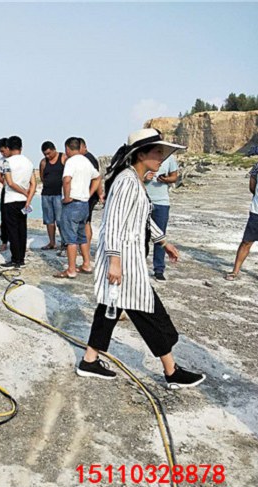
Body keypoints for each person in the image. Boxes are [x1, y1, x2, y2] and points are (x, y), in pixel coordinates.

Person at [77, 128, 205, 389]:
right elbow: (113, 223)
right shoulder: (126, 181)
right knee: (150, 313)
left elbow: (142, 219)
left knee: (109, 309)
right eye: (157, 152)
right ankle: (171, 372)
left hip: (128, 259)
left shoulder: (135, 180)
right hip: (123, 262)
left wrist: (163, 242)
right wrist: (114, 260)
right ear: (141, 154)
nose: (161, 157)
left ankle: (89, 361)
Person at [54, 137, 101, 278]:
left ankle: (71, 269)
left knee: (70, 238)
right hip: (84, 204)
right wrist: (90, 193)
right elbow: (98, 177)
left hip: (73, 203)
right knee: (82, 236)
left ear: (67, 148)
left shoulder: (71, 161)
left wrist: (67, 197)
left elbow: (66, 180)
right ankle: (86, 264)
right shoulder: (86, 161)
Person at [0, 136, 36, 268]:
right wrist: (28, 198)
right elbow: (33, 183)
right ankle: (21, 258)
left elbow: (9, 183)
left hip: (11, 200)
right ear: (21, 147)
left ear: (8, 148)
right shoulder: (29, 162)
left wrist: (23, 192)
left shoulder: (7, 162)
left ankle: (15, 259)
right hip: (23, 202)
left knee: (13, 230)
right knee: (22, 229)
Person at [144, 154, 179, 282]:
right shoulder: (143, 156)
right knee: (142, 236)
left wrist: (165, 179)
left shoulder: (170, 158)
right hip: (144, 201)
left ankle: (159, 270)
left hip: (162, 202)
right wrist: (144, 178)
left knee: (160, 236)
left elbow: (174, 177)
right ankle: (139, 266)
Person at [226, 161, 258, 280]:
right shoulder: (257, 166)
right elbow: (252, 186)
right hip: (257, 211)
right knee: (246, 242)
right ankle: (235, 271)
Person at [39, 141, 66, 251]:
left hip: (59, 194)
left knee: (60, 220)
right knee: (49, 220)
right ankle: (52, 242)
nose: (47, 156)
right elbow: (42, 177)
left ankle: (65, 242)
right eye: (45, 154)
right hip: (46, 194)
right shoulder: (43, 162)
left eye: (49, 153)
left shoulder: (63, 158)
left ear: (54, 150)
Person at [79, 138, 105, 248]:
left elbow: (97, 177)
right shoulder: (84, 159)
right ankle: (84, 246)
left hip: (89, 195)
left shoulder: (88, 159)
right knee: (85, 221)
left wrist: (99, 194)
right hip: (87, 194)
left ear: (84, 147)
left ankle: (86, 246)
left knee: (86, 222)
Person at [0, 138, 11, 252]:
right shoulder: (1, 161)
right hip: (6, 190)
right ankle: (4, 241)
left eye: (3, 150)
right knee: (4, 216)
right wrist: (6, 183)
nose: (2, 153)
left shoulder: (16, 160)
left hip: (18, 192)